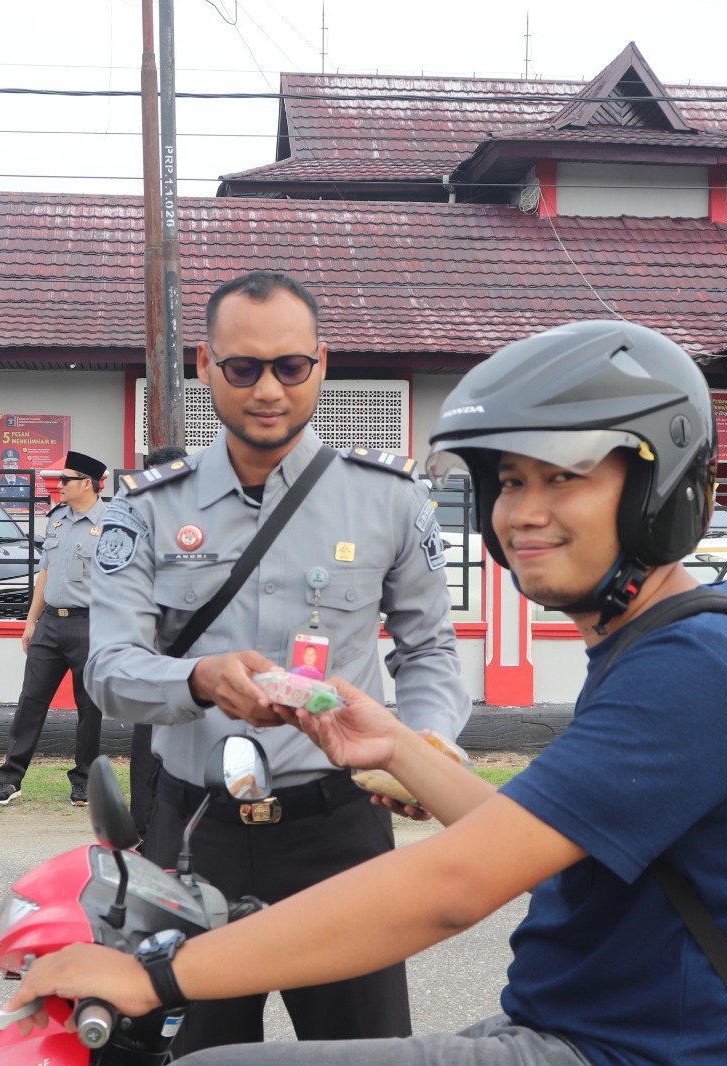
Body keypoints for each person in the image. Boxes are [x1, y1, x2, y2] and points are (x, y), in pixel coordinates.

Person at [12, 319, 727, 1066]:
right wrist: (397, 745)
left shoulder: (695, 668)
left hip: (638, 1050)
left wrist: (158, 973)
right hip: (587, 1025)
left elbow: (454, 887)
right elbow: (531, 845)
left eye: (564, 478)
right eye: (511, 480)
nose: (525, 513)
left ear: (664, 488)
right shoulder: (665, 647)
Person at [83, 271, 470, 1054]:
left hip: (339, 834)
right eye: (244, 368)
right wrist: (196, 679)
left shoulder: (391, 499)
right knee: (192, 1054)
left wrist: (425, 749)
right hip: (193, 834)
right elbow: (109, 668)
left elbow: (429, 648)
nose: (269, 389)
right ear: (205, 365)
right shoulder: (147, 507)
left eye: (291, 367)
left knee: (359, 1050)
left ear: (321, 364)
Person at [0, 450, 111, 808]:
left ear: (87, 483)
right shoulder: (56, 520)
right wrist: (30, 622)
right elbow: (45, 573)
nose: (59, 486)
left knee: (89, 706)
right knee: (31, 701)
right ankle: (9, 779)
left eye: (65, 480)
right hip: (50, 624)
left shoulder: (111, 523)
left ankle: (83, 780)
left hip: (91, 625)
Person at [127, 444, 189, 839]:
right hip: (154, 654)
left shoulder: (210, 518)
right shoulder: (139, 520)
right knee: (147, 746)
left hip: (202, 655)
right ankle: (145, 829)